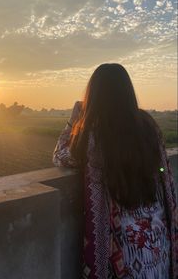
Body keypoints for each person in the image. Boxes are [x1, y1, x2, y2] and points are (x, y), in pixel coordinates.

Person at [52, 63, 178, 279]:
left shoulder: (95, 136)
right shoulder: (148, 126)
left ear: (95, 95)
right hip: (159, 245)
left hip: (125, 255)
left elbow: (60, 155)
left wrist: (73, 119)